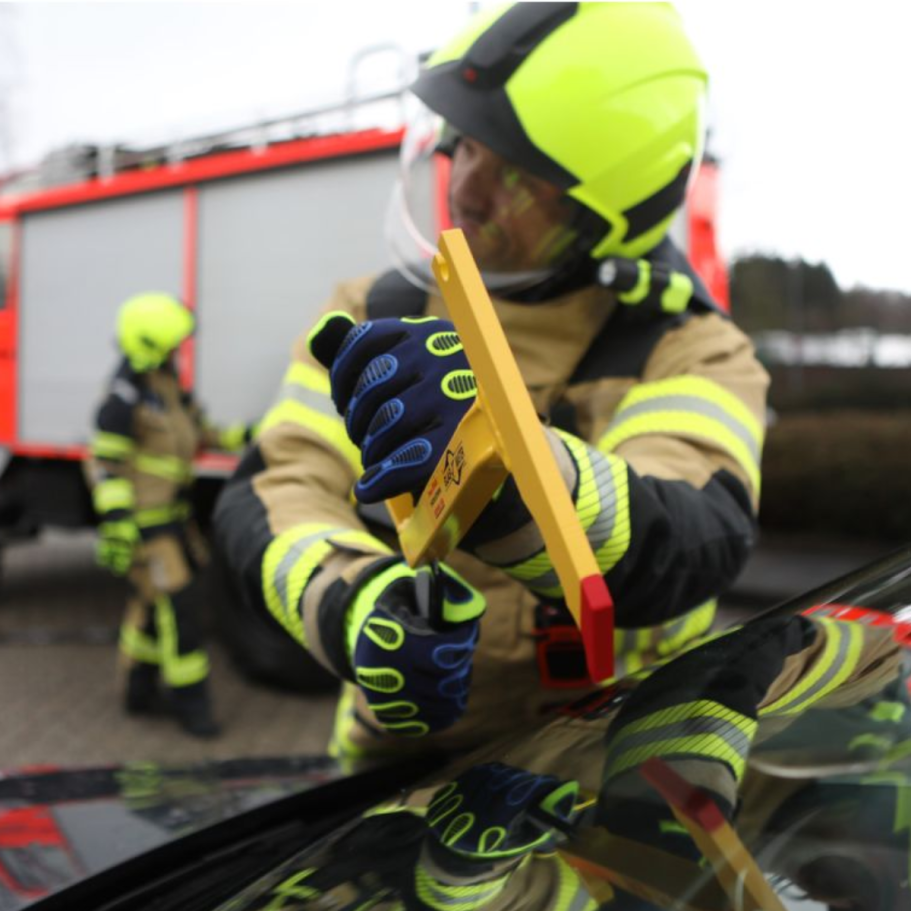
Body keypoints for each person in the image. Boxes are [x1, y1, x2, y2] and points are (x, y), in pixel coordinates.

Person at [213, 3, 769, 759]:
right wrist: (351, 600)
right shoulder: (374, 309)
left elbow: (690, 535)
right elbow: (273, 487)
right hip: (389, 780)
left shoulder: (695, 349)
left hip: (612, 776)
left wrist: (502, 469)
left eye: (519, 175)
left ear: (600, 218)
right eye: (467, 144)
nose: (466, 188)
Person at [243, 613, 911, 910]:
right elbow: (826, 646)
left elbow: (531, 898)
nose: (840, 902)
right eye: (883, 896)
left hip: (328, 847)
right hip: (335, 790)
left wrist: (458, 870)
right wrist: (673, 795)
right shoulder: (867, 720)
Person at [86, 291, 253, 738]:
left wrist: (248, 436)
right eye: (171, 343)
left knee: (148, 604)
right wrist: (119, 522)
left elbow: (201, 430)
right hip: (147, 525)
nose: (178, 350)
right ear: (149, 343)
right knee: (180, 608)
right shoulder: (123, 397)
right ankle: (191, 703)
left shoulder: (164, 383)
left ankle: (138, 691)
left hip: (173, 518)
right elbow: (106, 465)